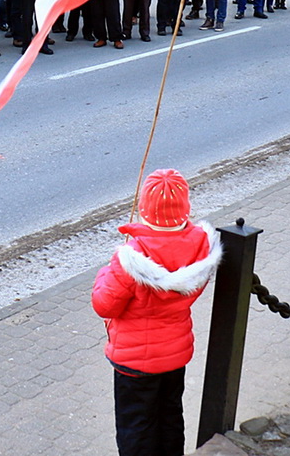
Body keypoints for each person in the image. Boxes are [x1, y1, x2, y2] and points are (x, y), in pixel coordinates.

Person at [91, 169, 221, 456]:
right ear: (185, 208)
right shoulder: (201, 247)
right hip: (174, 355)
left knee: (136, 425)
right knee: (170, 416)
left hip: (134, 361)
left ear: (143, 210)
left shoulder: (131, 258)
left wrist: (105, 273)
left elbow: (104, 305)